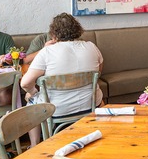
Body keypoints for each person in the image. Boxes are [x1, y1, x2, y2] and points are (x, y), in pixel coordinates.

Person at [21, 13, 104, 145]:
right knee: (100, 97)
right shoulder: (91, 46)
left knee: (30, 102)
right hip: (91, 104)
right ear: (77, 29)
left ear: (54, 33)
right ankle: (100, 137)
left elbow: (25, 83)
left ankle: (34, 145)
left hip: (57, 109)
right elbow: (98, 72)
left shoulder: (47, 52)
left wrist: (32, 92)